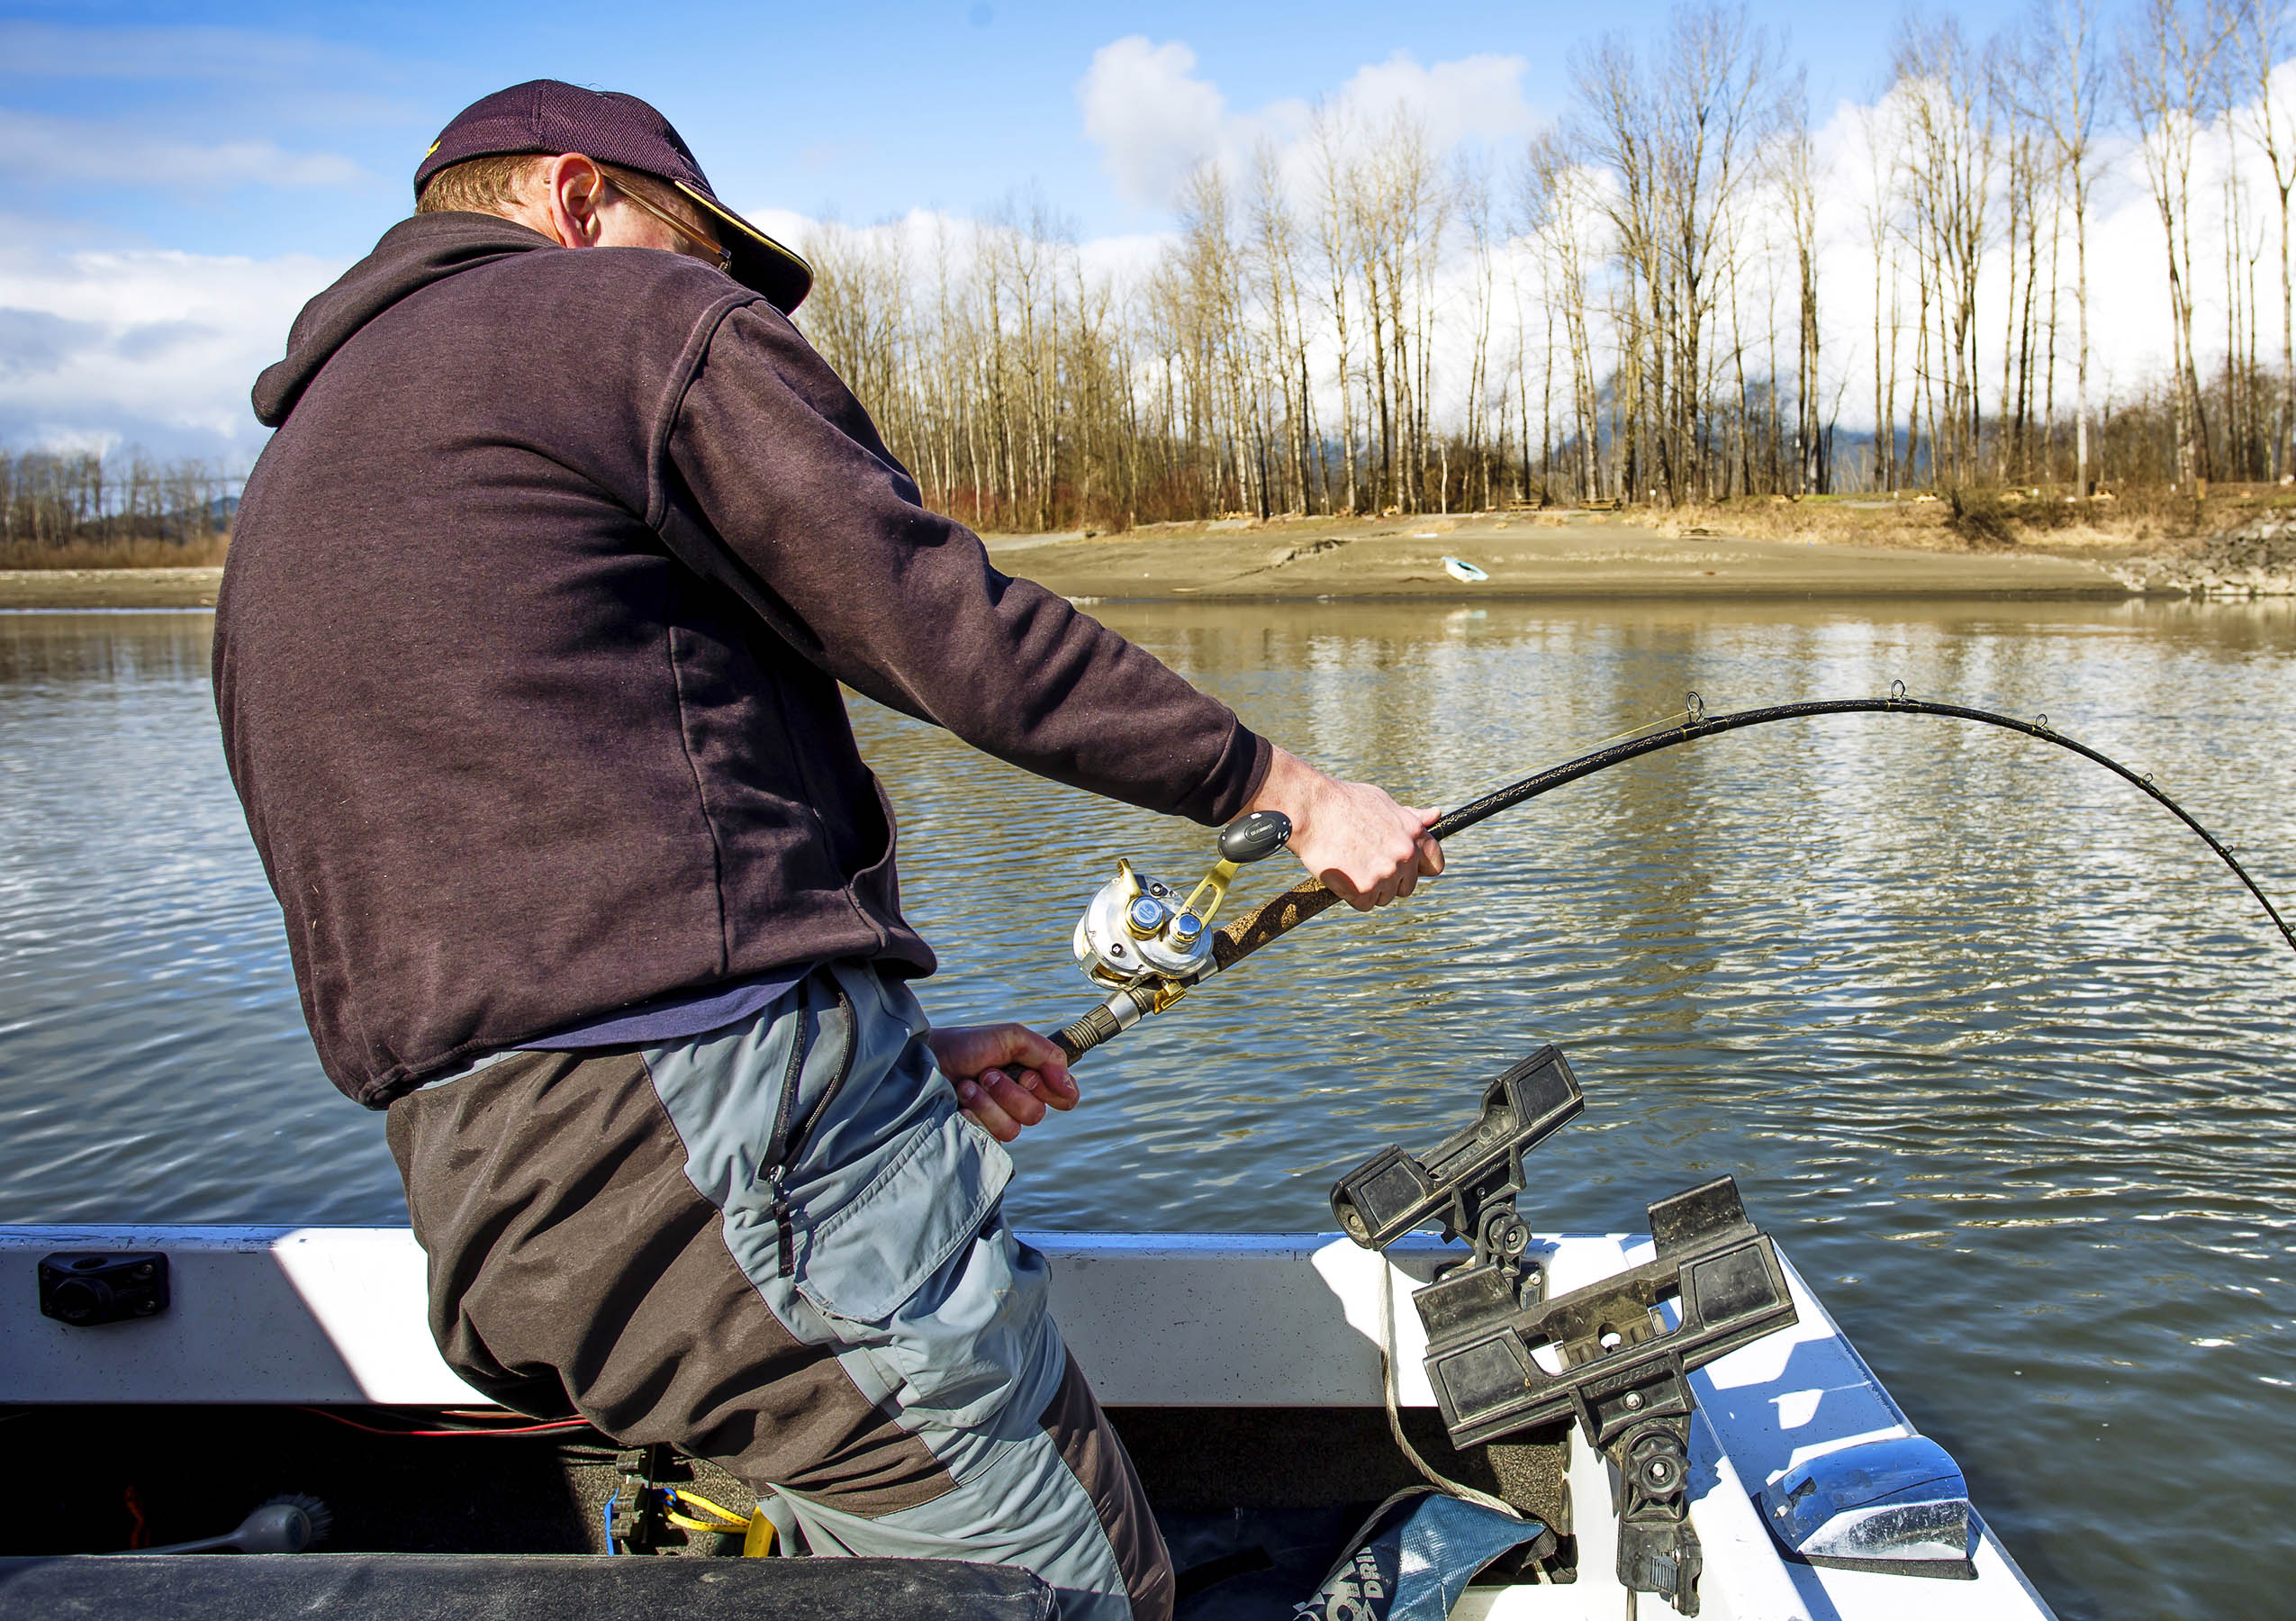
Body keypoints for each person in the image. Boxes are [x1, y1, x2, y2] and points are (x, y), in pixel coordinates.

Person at [214, 80, 1441, 1621]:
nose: (718, 293)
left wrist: (875, 1057)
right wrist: (1283, 787)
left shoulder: (309, 464)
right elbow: (944, 622)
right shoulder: (616, 321)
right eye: (699, 248)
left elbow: (516, 896)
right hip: (709, 1164)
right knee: (1060, 1591)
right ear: (578, 201)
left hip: (491, 1194)